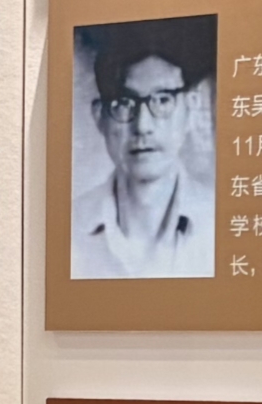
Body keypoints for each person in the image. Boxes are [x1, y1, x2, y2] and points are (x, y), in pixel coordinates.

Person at [72, 16, 214, 281]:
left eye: (163, 100)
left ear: (191, 108)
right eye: (124, 103)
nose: (143, 126)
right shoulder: (69, 225)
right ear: (99, 117)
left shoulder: (219, 222)